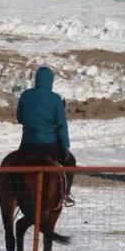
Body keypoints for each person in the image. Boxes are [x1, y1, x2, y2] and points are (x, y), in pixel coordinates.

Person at [16, 66, 76, 205]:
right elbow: (61, 126)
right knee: (71, 162)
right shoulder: (55, 99)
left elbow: (19, 118)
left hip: (28, 144)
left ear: (37, 79)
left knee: (15, 165)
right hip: (49, 145)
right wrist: (65, 147)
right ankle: (66, 194)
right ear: (50, 81)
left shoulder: (25, 95)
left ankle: (14, 191)